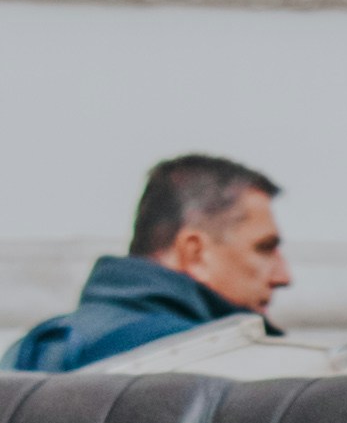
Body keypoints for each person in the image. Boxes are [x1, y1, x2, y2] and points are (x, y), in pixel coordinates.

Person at [9, 158, 291, 376]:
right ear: (194, 252)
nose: (283, 276)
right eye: (264, 248)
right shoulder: (208, 360)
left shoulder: (32, 348)